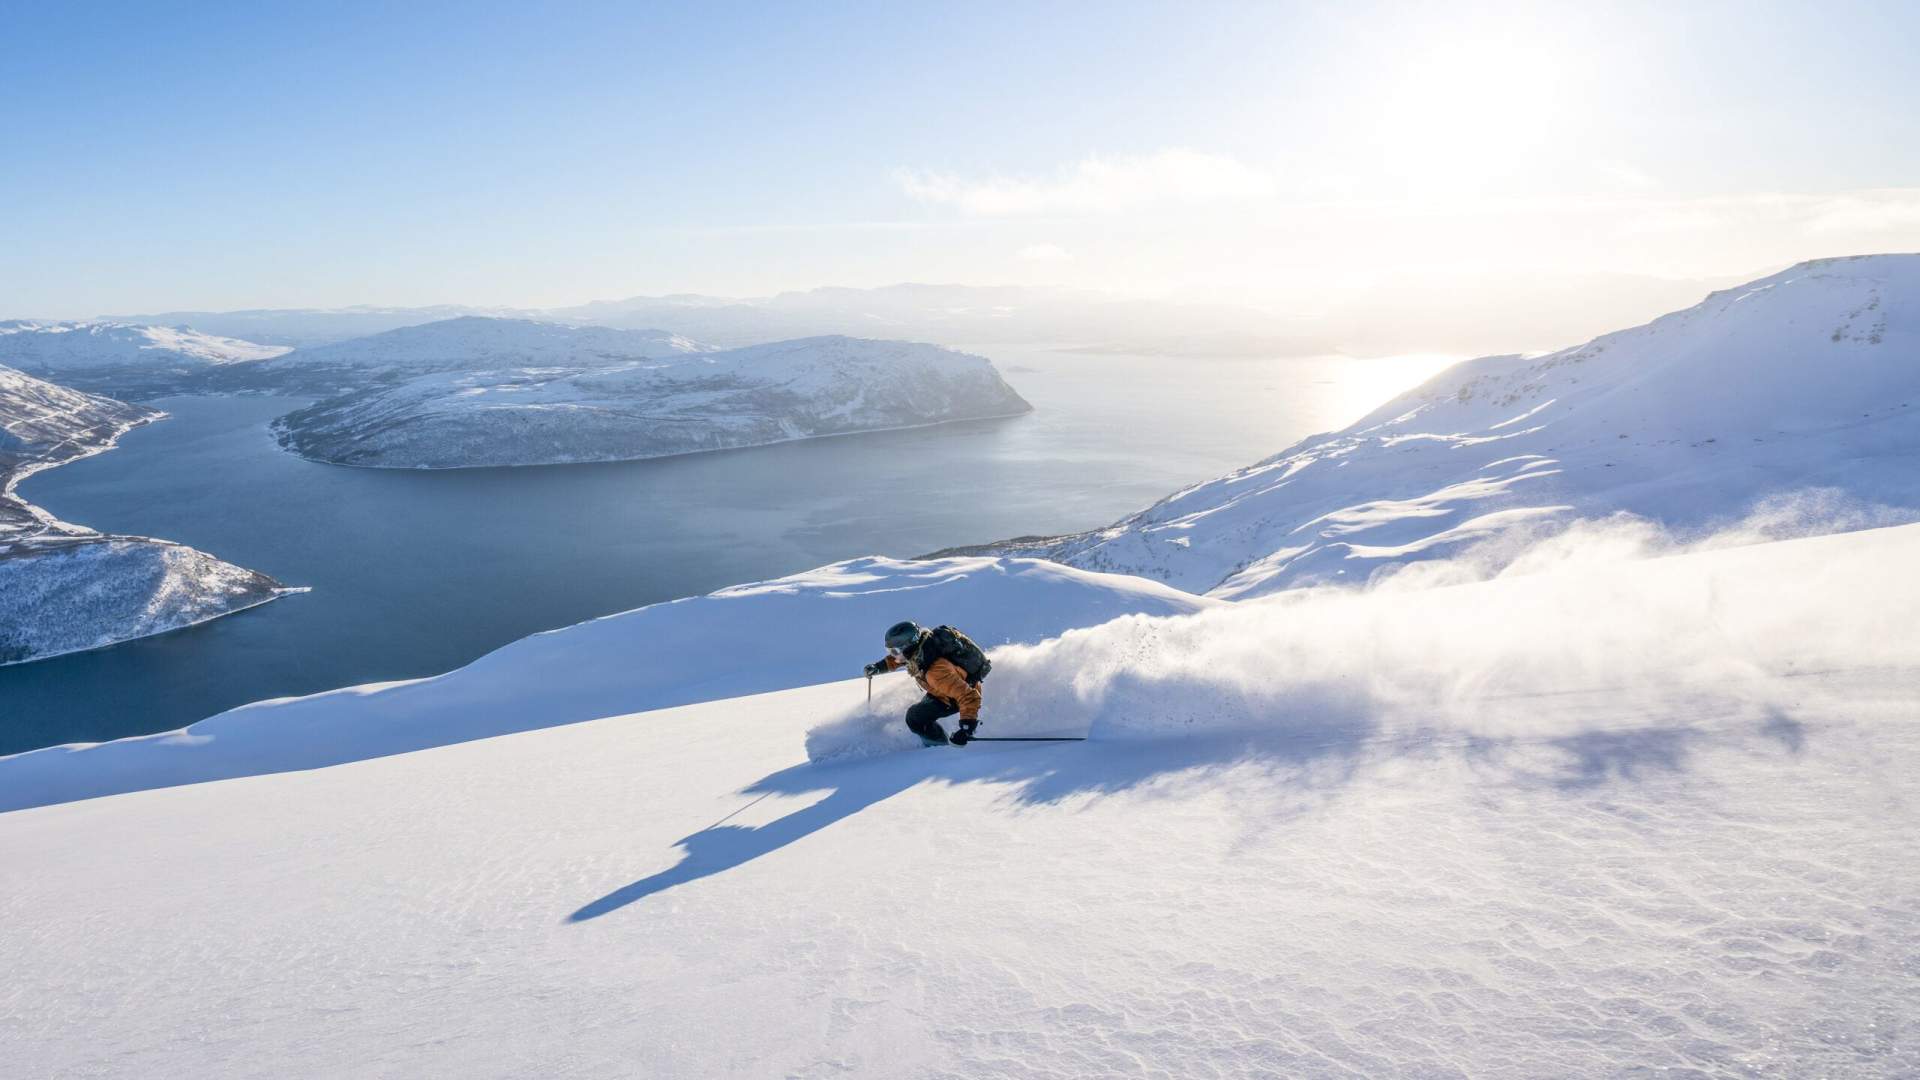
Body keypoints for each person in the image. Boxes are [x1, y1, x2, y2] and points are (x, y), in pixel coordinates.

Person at [863, 620, 985, 747]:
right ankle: (936, 741)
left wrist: (967, 728)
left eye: (894, 651)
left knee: (916, 718)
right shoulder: (922, 649)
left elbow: (969, 696)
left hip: (952, 698)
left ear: (907, 648)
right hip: (943, 690)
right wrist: (878, 667)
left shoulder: (935, 672)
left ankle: (939, 748)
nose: (893, 655)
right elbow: (899, 660)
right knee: (916, 715)